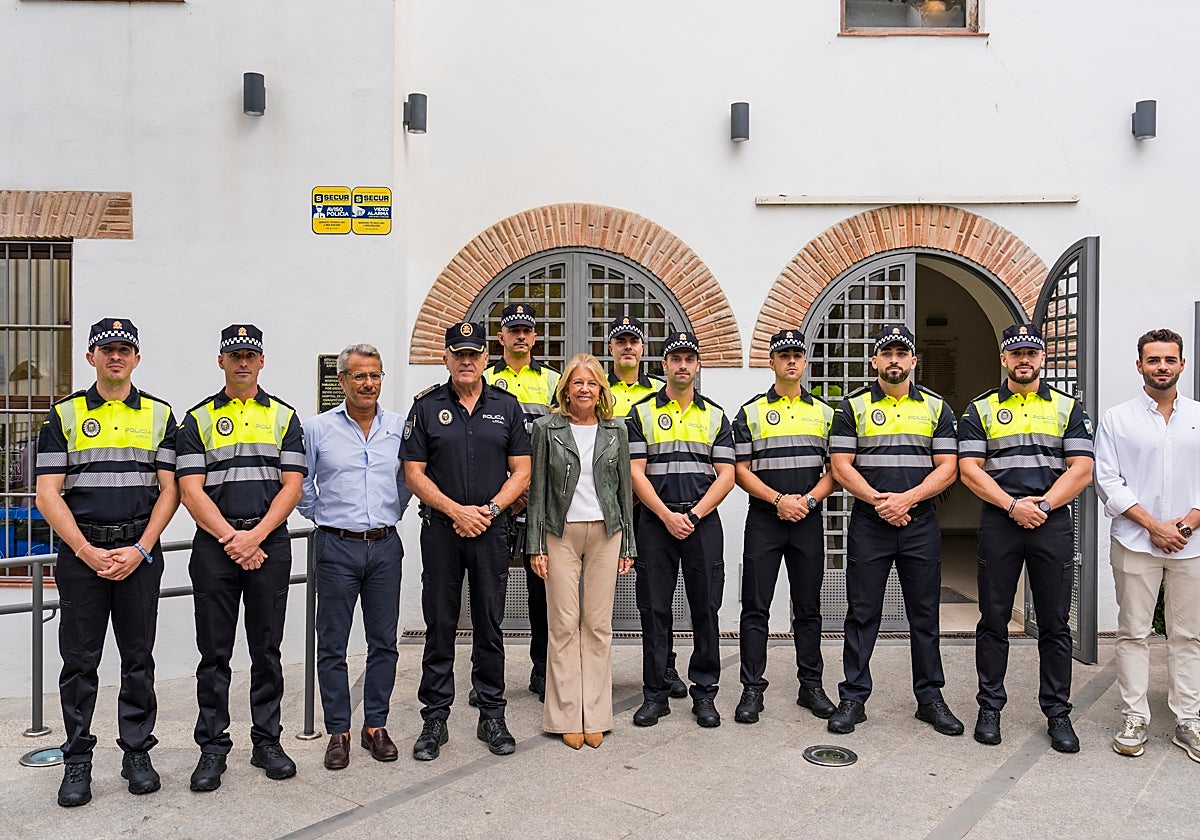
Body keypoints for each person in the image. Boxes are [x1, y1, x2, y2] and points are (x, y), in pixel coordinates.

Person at [35, 318, 178, 807]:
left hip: (139, 554)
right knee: (79, 663)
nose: (115, 356)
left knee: (138, 660)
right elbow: (47, 495)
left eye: (124, 349)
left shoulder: (160, 415)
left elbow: (170, 490)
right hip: (82, 557)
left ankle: (137, 752)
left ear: (137, 358)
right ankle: (76, 760)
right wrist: (85, 550)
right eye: (106, 349)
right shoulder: (64, 415)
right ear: (91, 356)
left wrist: (141, 548)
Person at [176, 324, 307, 790]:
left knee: (267, 650)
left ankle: (267, 742)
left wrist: (256, 537)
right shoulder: (196, 419)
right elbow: (190, 491)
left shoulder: (284, 416)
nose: (243, 362)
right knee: (214, 654)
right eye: (235, 355)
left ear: (263, 360)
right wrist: (234, 538)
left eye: (251, 354)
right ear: (221, 361)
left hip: (268, 544)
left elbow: (293, 486)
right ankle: (212, 748)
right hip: (217, 545)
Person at [958, 323, 1094, 752]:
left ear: (1043, 358)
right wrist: (1014, 506)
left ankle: (1057, 713)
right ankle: (990, 707)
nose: (1024, 360)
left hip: (1051, 521)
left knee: (1054, 623)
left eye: (1031, 353)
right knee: (994, 619)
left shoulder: (1068, 407)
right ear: (1004, 359)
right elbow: (969, 470)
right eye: (1015, 353)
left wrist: (1044, 506)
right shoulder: (979, 409)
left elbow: (1082, 470)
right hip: (1001, 520)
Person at [402, 321, 532, 761]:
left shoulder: (506, 407)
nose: (466, 360)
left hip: (491, 529)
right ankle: (434, 719)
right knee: (440, 624)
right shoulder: (425, 407)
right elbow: (413, 473)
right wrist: (456, 511)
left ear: (485, 359)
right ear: (445, 358)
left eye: (474, 353)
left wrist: (490, 511)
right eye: (458, 353)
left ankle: (492, 714)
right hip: (441, 530)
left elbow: (522, 470)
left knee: (490, 624)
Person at [828, 324, 962, 737]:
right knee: (862, 612)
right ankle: (853, 696)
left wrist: (907, 500)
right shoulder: (851, 406)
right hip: (871, 521)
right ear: (874, 361)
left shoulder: (937, 408)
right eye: (886, 353)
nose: (894, 360)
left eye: (902, 353)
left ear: (913, 361)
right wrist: (880, 502)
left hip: (919, 522)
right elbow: (840, 466)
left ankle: (930, 698)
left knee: (924, 613)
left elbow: (949, 467)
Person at [298, 343, 411, 770]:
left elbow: (407, 480)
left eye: (376, 375)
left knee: (384, 642)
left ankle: (375, 726)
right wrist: (323, 516)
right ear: (342, 380)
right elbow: (302, 482)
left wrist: (390, 514)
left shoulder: (399, 428)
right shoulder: (318, 429)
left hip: (385, 545)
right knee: (332, 644)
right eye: (359, 376)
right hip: (335, 547)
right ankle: (339, 731)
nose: (368, 384)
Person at [1094, 328, 1200, 762]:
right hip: (1137, 542)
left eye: (1169, 359)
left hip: (1191, 546)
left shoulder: (1199, 415)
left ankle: (1188, 719)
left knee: (1189, 635)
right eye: (1153, 360)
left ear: (1181, 364)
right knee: (1133, 633)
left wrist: (1186, 525)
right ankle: (1134, 715)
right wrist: (1154, 525)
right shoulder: (1117, 418)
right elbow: (1107, 480)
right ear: (1139, 365)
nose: (1162, 367)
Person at [527, 353, 636, 749]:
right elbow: (536, 489)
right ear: (566, 390)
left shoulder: (616, 431)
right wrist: (536, 544)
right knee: (562, 625)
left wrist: (629, 544)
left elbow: (624, 490)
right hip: (560, 533)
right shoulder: (546, 429)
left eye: (591, 383)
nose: (585, 389)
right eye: (577, 383)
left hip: (607, 534)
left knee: (598, 626)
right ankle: (566, 715)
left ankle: (596, 714)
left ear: (601, 389)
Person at [627, 331, 735, 728]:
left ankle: (705, 695)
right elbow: (635, 472)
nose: (683, 365)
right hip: (656, 523)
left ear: (698, 365)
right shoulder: (640, 414)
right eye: (676, 359)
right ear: (664, 365)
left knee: (706, 609)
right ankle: (655, 695)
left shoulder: (716, 415)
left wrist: (693, 515)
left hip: (702, 524)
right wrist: (666, 515)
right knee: (654, 611)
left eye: (690, 359)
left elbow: (727, 475)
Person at [731, 329, 838, 724]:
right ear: (771, 363)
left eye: (797, 354)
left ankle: (811, 687)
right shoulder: (751, 412)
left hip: (808, 519)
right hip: (765, 519)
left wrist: (806, 501)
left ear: (805, 361)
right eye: (783, 355)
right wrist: (778, 501)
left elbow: (836, 470)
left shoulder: (826, 413)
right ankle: (751, 689)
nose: (791, 361)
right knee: (755, 607)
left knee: (808, 608)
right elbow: (740, 470)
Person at [484, 303, 560, 702]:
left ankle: (542, 669)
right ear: (500, 337)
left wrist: (533, 487)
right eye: (512, 329)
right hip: (499, 500)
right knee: (491, 590)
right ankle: (488, 678)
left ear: (534, 337)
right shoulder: (484, 378)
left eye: (526, 330)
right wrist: (508, 492)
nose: (519, 336)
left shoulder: (553, 381)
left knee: (541, 589)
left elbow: (564, 439)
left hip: (541, 501)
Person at [606, 314, 685, 699]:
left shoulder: (659, 392)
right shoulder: (598, 389)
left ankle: (664, 668)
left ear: (644, 350)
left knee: (655, 592)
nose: (627, 347)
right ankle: (594, 671)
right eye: (620, 341)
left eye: (633, 341)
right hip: (606, 501)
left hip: (648, 503)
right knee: (600, 588)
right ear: (611, 349)